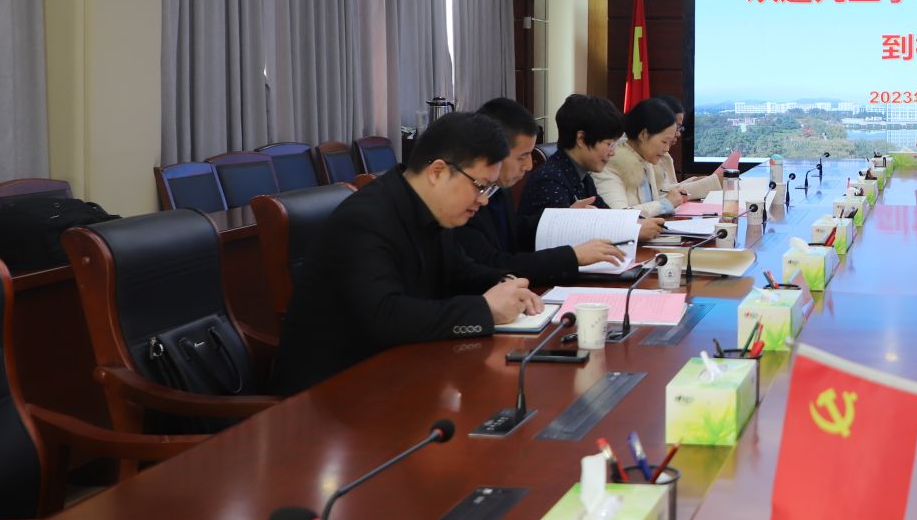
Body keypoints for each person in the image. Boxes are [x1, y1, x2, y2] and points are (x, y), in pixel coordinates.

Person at [269, 112, 546, 395]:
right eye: (480, 186)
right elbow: (385, 317)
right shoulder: (366, 219)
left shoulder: (431, 208)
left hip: (395, 374)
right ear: (437, 172)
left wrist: (508, 284)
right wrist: (485, 311)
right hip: (330, 393)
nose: (484, 200)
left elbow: (460, 271)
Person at [455, 98, 626, 281]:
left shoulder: (499, 190)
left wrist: (564, 218)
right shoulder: (463, 200)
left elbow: (517, 231)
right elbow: (491, 263)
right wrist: (572, 256)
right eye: (523, 156)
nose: (529, 166)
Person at [520, 93, 663, 241]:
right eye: (609, 144)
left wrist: (636, 223)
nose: (613, 152)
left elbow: (607, 215)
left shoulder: (583, 177)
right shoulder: (550, 180)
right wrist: (631, 230)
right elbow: (560, 238)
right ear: (581, 139)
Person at [597, 99, 690, 217]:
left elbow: (654, 200)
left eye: (669, 142)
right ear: (643, 134)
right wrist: (666, 204)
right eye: (664, 141)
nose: (667, 149)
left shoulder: (647, 160)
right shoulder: (610, 165)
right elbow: (618, 216)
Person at [652, 95, 722, 203]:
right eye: (676, 127)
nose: (678, 133)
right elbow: (661, 197)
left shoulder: (664, 155)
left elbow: (668, 189)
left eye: (679, 128)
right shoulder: (635, 158)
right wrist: (711, 183)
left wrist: (695, 180)